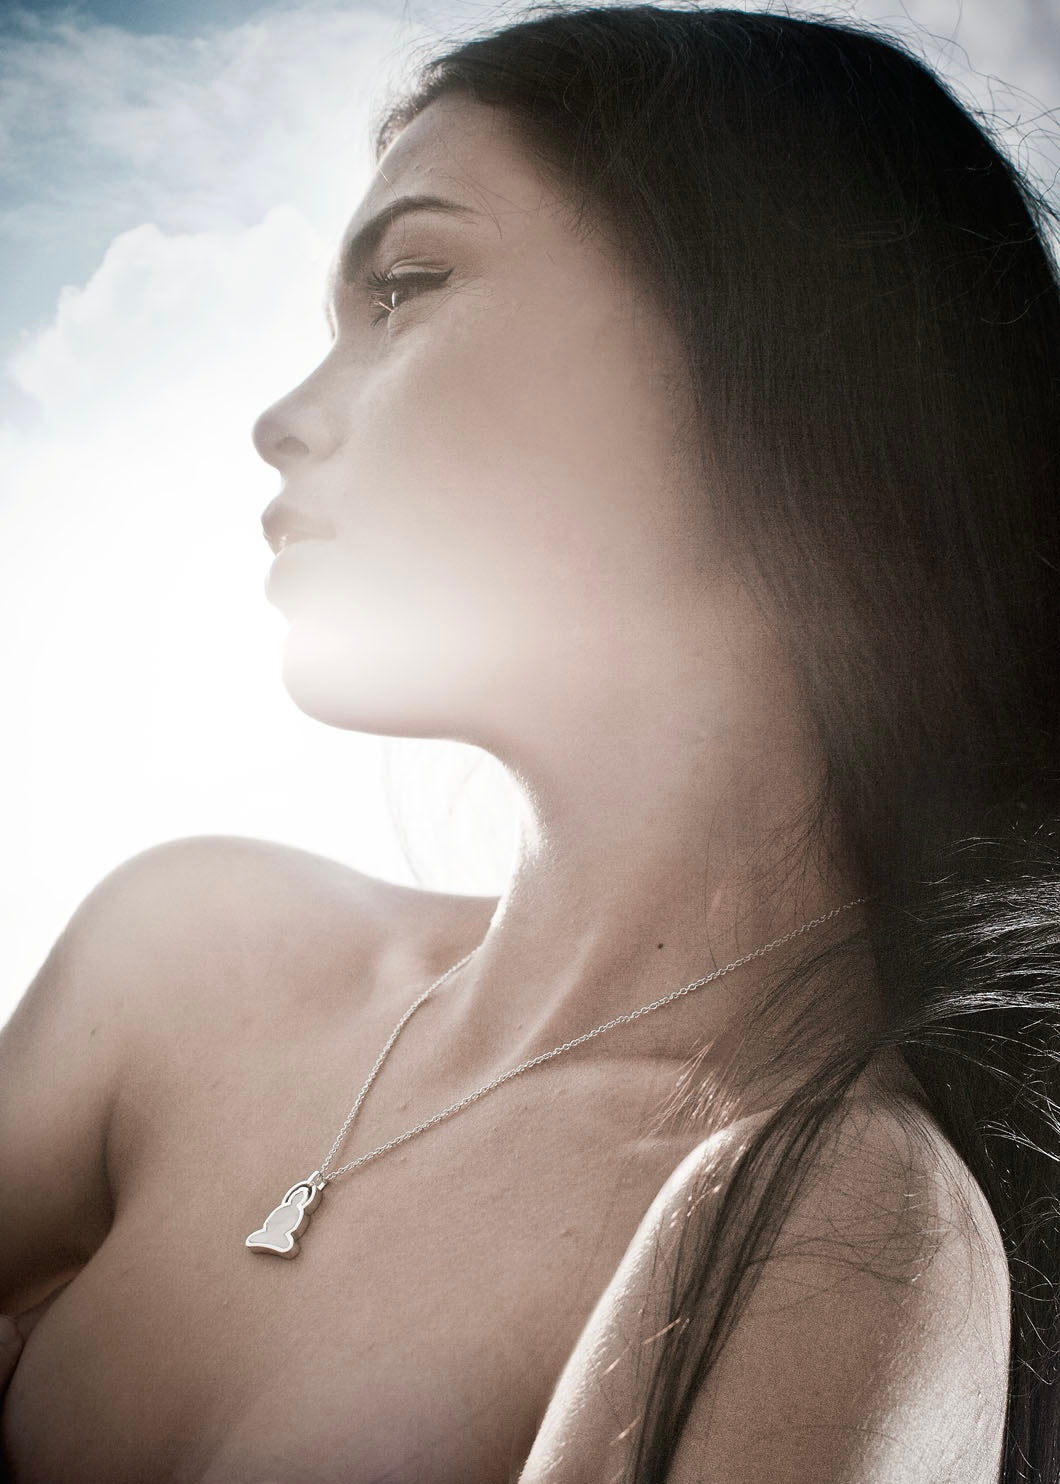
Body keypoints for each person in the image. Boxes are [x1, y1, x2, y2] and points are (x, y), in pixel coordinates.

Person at [2, 4, 1058, 1480]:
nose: (281, 422)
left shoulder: (835, 1218)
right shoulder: (182, 956)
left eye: (407, 285)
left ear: (761, 345)